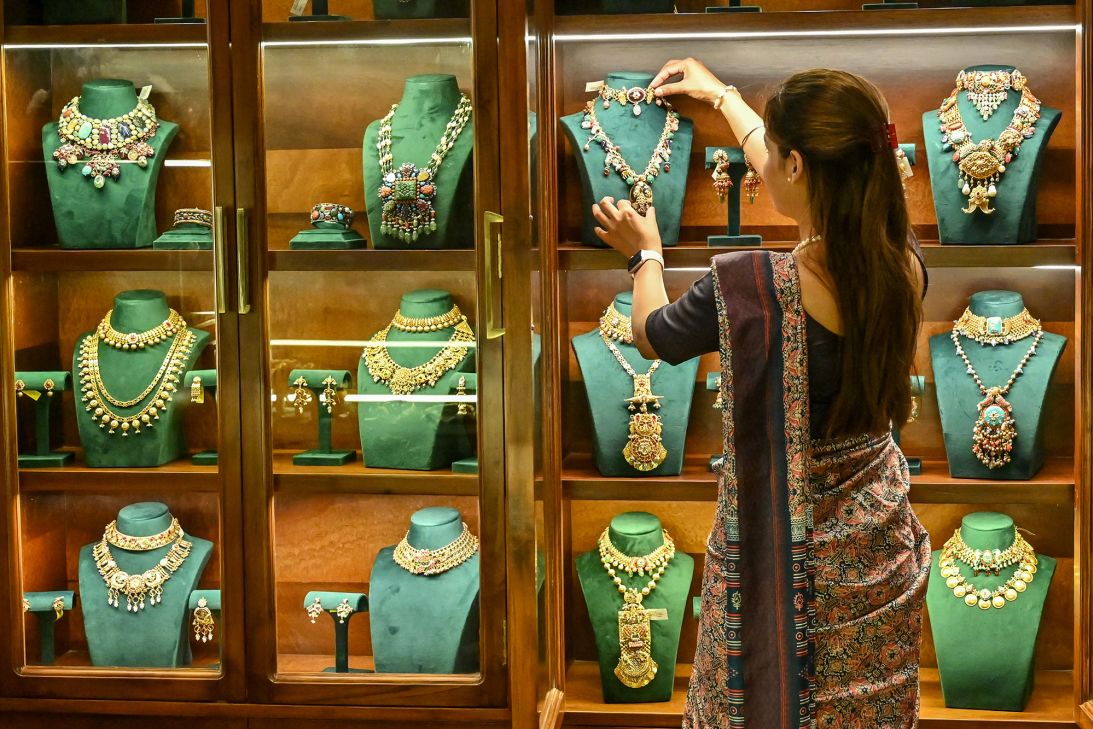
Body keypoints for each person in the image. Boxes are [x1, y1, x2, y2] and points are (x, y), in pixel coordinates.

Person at [591, 60, 932, 729]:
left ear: (797, 165)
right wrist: (722, 97)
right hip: (877, 552)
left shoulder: (750, 285)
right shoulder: (901, 260)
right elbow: (786, 162)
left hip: (777, 556)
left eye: (772, 155)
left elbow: (652, 335)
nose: (761, 164)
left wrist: (644, 255)